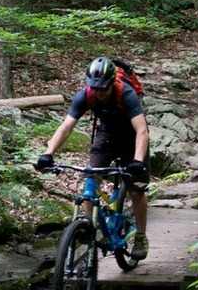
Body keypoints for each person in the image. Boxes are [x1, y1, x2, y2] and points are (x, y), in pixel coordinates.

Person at [35, 56, 150, 260]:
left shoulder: (126, 93)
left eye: (103, 89)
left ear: (111, 83)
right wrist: (48, 153)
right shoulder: (86, 95)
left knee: (136, 187)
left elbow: (141, 130)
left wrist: (138, 160)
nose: (99, 93)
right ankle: (90, 230)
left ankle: (140, 236)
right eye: (95, 88)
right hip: (106, 135)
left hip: (131, 137)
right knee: (90, 181)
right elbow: (66, 126)